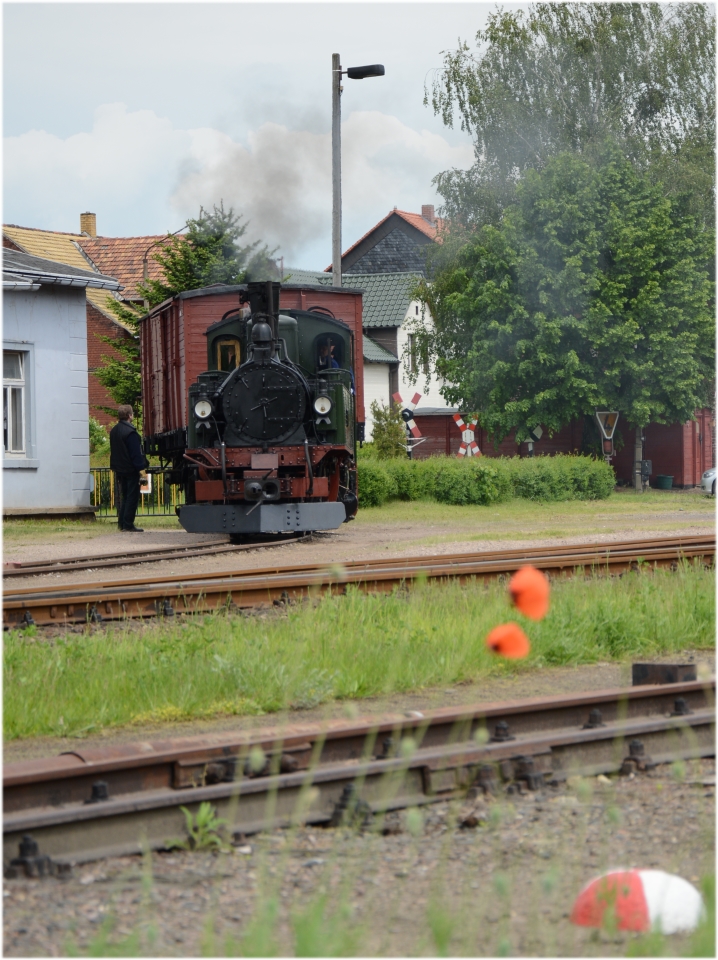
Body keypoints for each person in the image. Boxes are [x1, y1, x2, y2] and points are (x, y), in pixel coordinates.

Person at [109, 405, 149, 532]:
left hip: (119, 469)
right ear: (129, 416)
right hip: (131, 469)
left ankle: (122, 523)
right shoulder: (131, 433)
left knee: (124, 496)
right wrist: (141, 470)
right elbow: (136, 454)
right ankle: (128, 524)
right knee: (132, 497)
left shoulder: (114, 431)